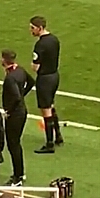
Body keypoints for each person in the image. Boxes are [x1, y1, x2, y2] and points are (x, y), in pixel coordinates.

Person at [0, 49, 34, 185]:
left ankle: (18, 176)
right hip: (21, 112)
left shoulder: (10, 78)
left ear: (4, 60)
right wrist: (22, 93)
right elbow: (31, 82)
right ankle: (20, 173)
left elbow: (16, 97)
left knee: (13, 144)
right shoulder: (20, 70)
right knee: (16, 143)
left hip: (15, 115)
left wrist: (8, 111)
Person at [29, 15, 63, 154]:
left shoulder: (40, 44)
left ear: (40, 28)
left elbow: (35, 66)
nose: (31, 31)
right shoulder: (54, 39)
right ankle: (58, 136)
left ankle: (49, 143)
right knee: (51, 106)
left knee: (46, 110)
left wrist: (33, 65)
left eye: (33, 28)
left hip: (44, 79)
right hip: (55, 76)